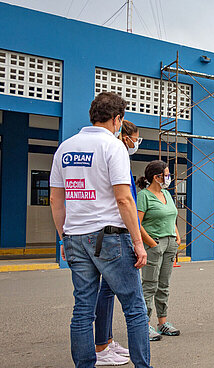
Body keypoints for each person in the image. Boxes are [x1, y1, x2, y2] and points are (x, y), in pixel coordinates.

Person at [49, 92, 151, 367]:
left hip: (75, 236)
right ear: (117, 119)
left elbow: (56, 198)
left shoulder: (65, 148)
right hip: (109, 238)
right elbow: (124, 198)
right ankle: (143, 365)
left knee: (83, 309)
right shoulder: (112, 147)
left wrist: (63, 237)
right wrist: (138, 243)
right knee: (134, 307)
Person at [93, 120, 144, 365]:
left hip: (108, 232)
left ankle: (105, 340)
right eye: (136, 138)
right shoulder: (115, 152)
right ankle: (102, 346)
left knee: (106, 290)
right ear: (125, 135)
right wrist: (139, 240)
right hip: (115, 233)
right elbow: (125, 200)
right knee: (130, 303)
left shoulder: (115, 153)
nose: (137, 142)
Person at [136, 160, 181, 340]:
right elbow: (137, 224)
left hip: (170, 244)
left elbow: (172, 216)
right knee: (149, 285)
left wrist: (176, 236)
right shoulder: (144, 196)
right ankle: (144, 325)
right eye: (167, 174)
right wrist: (151, 243)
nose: (169, 178)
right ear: (157, 177)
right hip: (154, 244)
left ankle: (162, 323)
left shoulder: (166, 194)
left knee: (164, 285)